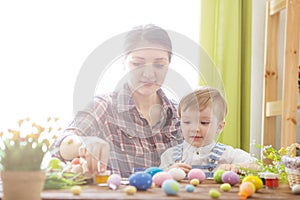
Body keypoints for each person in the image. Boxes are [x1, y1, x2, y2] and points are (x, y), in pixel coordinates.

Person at [51, 24, 183, 178]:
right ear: (123, 61)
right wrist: (83, 143)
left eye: (159, 65)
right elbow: (59, 145)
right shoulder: (103, 106)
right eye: (137, 64)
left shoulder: (179, 112)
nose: (148, 73)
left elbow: (205, 155)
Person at [159, 86, 258, 177]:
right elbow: (157, 180)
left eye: (204, 122)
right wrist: (168, 172)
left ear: (219, 127)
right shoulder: (170, 156)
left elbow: (258, 166)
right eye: (187, 122)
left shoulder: (227, 154)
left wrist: (236, 167)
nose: (195, 128)